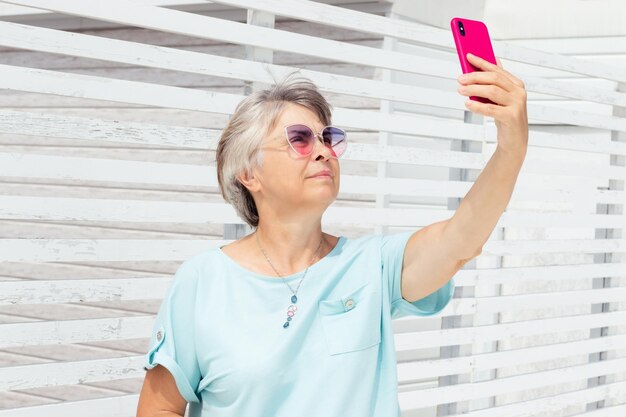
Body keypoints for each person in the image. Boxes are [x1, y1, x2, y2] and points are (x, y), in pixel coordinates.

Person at [136, 72, 458, 417]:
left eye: (327, 139)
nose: (323, 152)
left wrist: (510, 143)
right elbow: (159, 408)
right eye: (299, 140)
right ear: (249, 174)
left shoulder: (373, 266)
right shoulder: (202, 280)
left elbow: (461, 239)